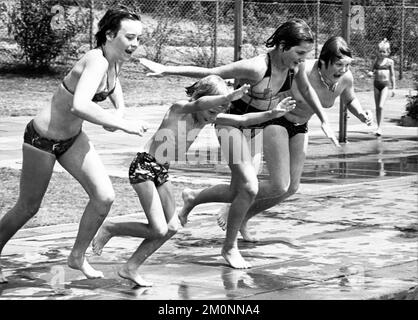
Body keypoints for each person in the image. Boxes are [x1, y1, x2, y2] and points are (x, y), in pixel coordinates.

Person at [139, 19, 338, 269]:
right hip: (232, 125)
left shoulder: (293, 68)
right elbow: (214, 72)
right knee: (250, 187)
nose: (302, 59)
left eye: (306, 54)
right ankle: (229, 247)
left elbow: (307, 91)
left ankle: (192, 198)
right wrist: (166, 69)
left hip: (256, 125)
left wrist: (324, 119)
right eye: (299, 53)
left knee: (239, 191)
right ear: (283, 46)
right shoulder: (256, 67)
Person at [91, 75, 296, 285]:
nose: (213, 116)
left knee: (171, 228)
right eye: (211, 110)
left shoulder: (206, 118)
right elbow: (199, 103)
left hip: (161, 171)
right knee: (158, 228)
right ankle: (111, 228)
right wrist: (227, 95)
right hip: (144, 167)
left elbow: (243, 120)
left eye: (218, 112)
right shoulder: (179, 109)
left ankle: (130, 267)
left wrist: (273, 113)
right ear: (201, 98)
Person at [0, 7, 146, 283]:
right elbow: (80, 105)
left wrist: (119, 112)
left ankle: (77, 256)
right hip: (41, 140)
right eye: (129, 37)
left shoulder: (113, 60)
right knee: (28, 207)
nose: (135, 44)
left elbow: (113, 87)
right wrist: (125, 125)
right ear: (110, 34)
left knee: (104, 197)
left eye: (138, 38)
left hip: (71, 140)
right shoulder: (96, 60)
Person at [181, 36, 374, 243]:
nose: (342, 70)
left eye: (346, 65)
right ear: (323, 61)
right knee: (278, 185)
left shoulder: (345, 78)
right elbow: (265, 80)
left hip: (301, 126)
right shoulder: (302, 69)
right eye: (338, 65)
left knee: (291, 188)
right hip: (278, 122)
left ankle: (243, 216)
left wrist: (361, 113)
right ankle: (233, 204)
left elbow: (350, 97)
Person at [371, 38, 396, 136]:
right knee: (377, 107)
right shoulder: (376, 61)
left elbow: (393, 75)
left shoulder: (390, 62)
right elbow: (371, 71)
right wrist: (370, 73)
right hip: (376, 84)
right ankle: (378, 127)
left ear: (388, 52)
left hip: (385, 85)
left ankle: (380, 127)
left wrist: (394, 88)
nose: (381, 53)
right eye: (380, 51)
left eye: (384, 52)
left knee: (381, 106)